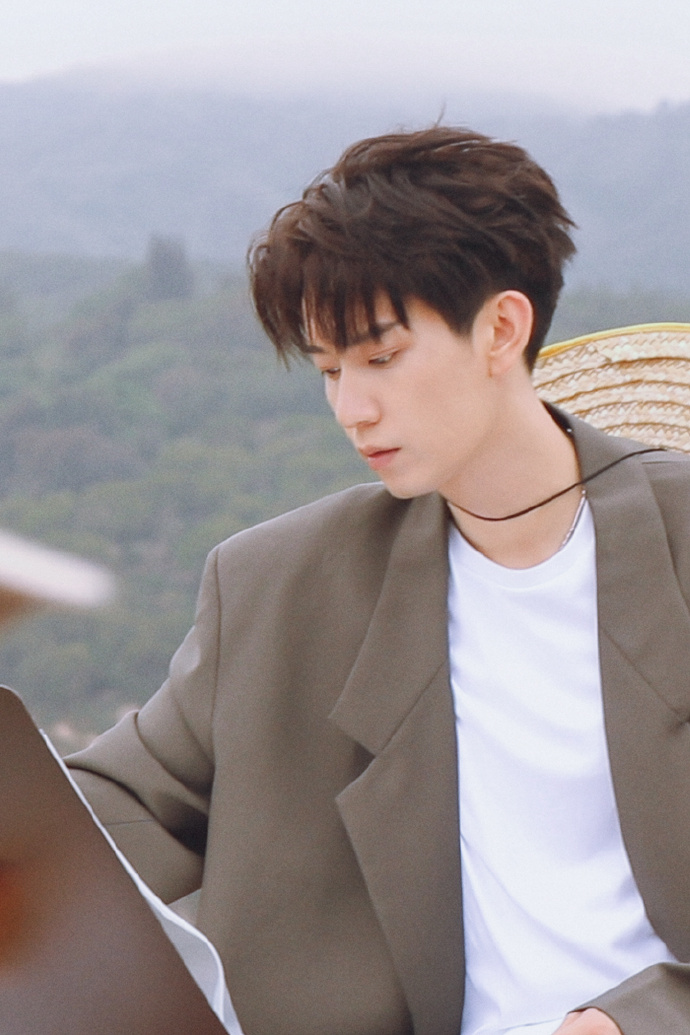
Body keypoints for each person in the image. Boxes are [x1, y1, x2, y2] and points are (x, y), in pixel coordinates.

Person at [67, 127, 690, 1035]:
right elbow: (96, 816)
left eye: (381, 357)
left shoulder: (676, 544)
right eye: (329, 369)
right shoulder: (281, 588)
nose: (350, 409)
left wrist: (634, 1020)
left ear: (502, 329)